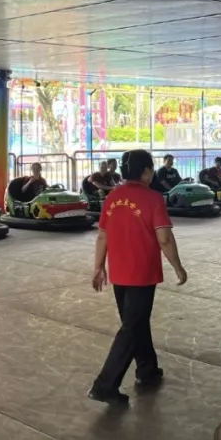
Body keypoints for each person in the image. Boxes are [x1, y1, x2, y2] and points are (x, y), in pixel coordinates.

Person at [89, 149, 188, 406]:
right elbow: (164, 238)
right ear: (146, 172)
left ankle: (147, 370)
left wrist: (99, 266)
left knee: (135, 323)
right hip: (142, 274)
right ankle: (105, 385)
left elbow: (102, 235)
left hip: (119, 273)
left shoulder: (112, 197)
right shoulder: (153, 199)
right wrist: (178, 267)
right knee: (131, 328)